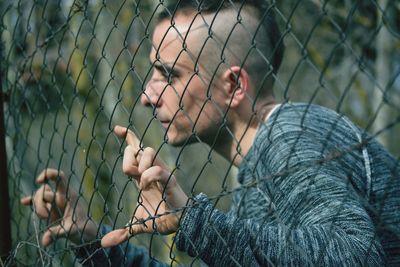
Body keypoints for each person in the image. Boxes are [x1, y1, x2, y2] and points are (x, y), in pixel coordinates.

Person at [21, 0, 400, 266]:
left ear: (234, 85)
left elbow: (356, 255)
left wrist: (194, 222)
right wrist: (93, 241)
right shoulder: (256, 171)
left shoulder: (288, 138)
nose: (146, 96)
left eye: (168, 75)